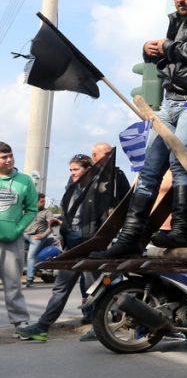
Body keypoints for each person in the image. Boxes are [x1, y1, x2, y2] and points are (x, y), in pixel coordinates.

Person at [91, 0, 187, 259]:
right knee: (148, 169)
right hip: (170, 102)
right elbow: (170, 62)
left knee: (181, 162)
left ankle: (181, 230)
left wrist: (165, 47)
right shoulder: (175, 22)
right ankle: (129, 237)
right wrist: (148, 51)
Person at [18, 147, 130, 342]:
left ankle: (104, 325)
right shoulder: (72, 187)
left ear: (88, 169)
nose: (72, 173)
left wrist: (115, 172)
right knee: (61, 287)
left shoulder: (101, 187)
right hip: (72, 246)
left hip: (92, 246)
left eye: (76, 169)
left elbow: (122, 198)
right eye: (70, 170)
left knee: (95, 288)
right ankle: (43, 327)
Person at [0, 141, 37, 336]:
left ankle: (21, 323)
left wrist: (18, 228)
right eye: (4, 157)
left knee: (13, 283)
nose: (9, 160)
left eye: (10, 156)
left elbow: (31, 209)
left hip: (12, 240)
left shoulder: (25, 180)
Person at [24, 193, 60, 287]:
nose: (43, 203)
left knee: (30, 257)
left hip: (37, 237)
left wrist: (42, 235)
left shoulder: (47, 212)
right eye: (41, 201)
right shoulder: (28, 210)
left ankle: (29, 280)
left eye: (44, 201)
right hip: (24, 234)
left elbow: (51, 226)